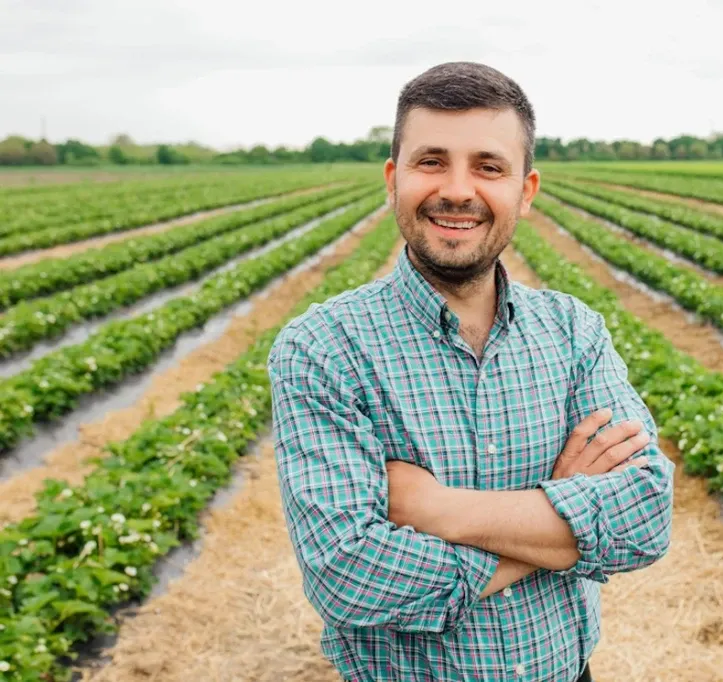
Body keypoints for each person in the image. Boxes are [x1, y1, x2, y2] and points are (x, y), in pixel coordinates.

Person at [267, 61, 674, 682]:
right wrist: (561, 521)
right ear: (392, 178)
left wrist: (440, 511)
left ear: (526, 191)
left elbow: (644, 516)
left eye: (489, 166)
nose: (458, 190)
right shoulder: (323, 348)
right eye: (431, 161)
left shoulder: (572, 331)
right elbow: (346, 574)